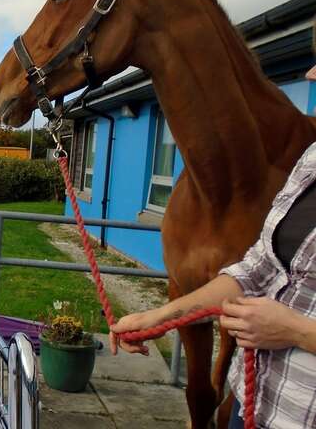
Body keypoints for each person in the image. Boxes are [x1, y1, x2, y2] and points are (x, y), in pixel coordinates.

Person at [110, 66, 316, 428]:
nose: (312, 75)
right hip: (254, 404)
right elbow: (259, 266)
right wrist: (158, 318)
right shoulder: (311, 162)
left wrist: (297, 331)